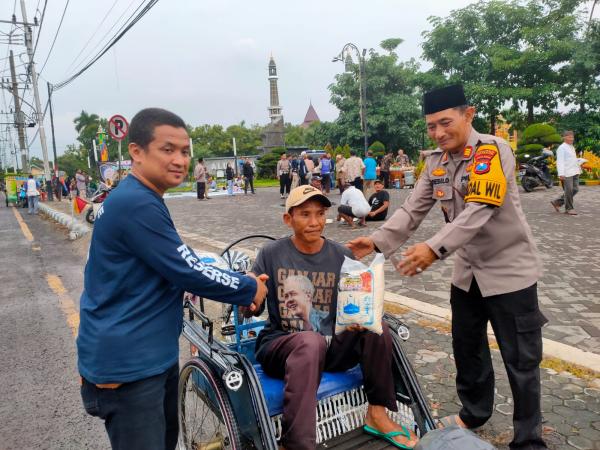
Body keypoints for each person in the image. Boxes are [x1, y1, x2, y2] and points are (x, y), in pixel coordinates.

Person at [348, 84, 548, 450]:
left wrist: (433, 248)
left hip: (510, 273)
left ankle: (528, 439)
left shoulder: (492, 150)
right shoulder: (436, 162)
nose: (438, 133)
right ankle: (474, 412)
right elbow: (412, 209)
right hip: (468, 274)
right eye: (431, 127)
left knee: (521, 359)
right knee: (467, 348)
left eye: (445, 123)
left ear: (468, 115)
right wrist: (376, 241)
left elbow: (480, 210)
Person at [77, 108, 269, 450]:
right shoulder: (137, 203)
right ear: (136, 152)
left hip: (147, 354)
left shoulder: (138, 197)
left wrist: (232, 277)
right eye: (168, 150)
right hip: (129, 367)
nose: (179, 159)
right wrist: (249, 287)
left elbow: (177, 256)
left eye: (184, 151)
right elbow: (188, 271)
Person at [247, 185, 418, 450]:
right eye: (304, 214)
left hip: (330, 347)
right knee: (310, 341)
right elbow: (254, 303)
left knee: (378, 329)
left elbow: (357, 302)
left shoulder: (342, 255)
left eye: (320, 213)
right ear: (288, 219)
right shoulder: (272, 254)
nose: (315, 222)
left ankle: (377, 413)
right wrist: (251, 295)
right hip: (283, 346)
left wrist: (363, 314)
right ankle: (296, 444)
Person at [550, 131, 580, 215]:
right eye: (569, 137)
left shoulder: (572, 147)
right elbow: (560, 161)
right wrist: (561, 173)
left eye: (572, 137)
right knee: (569, 190)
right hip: (567, 173)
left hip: (575, 171)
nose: (572, 139)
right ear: (564, 137)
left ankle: (557, 202)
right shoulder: (561, 148)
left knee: (575, 189)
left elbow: (571, 160)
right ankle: (569, 209)